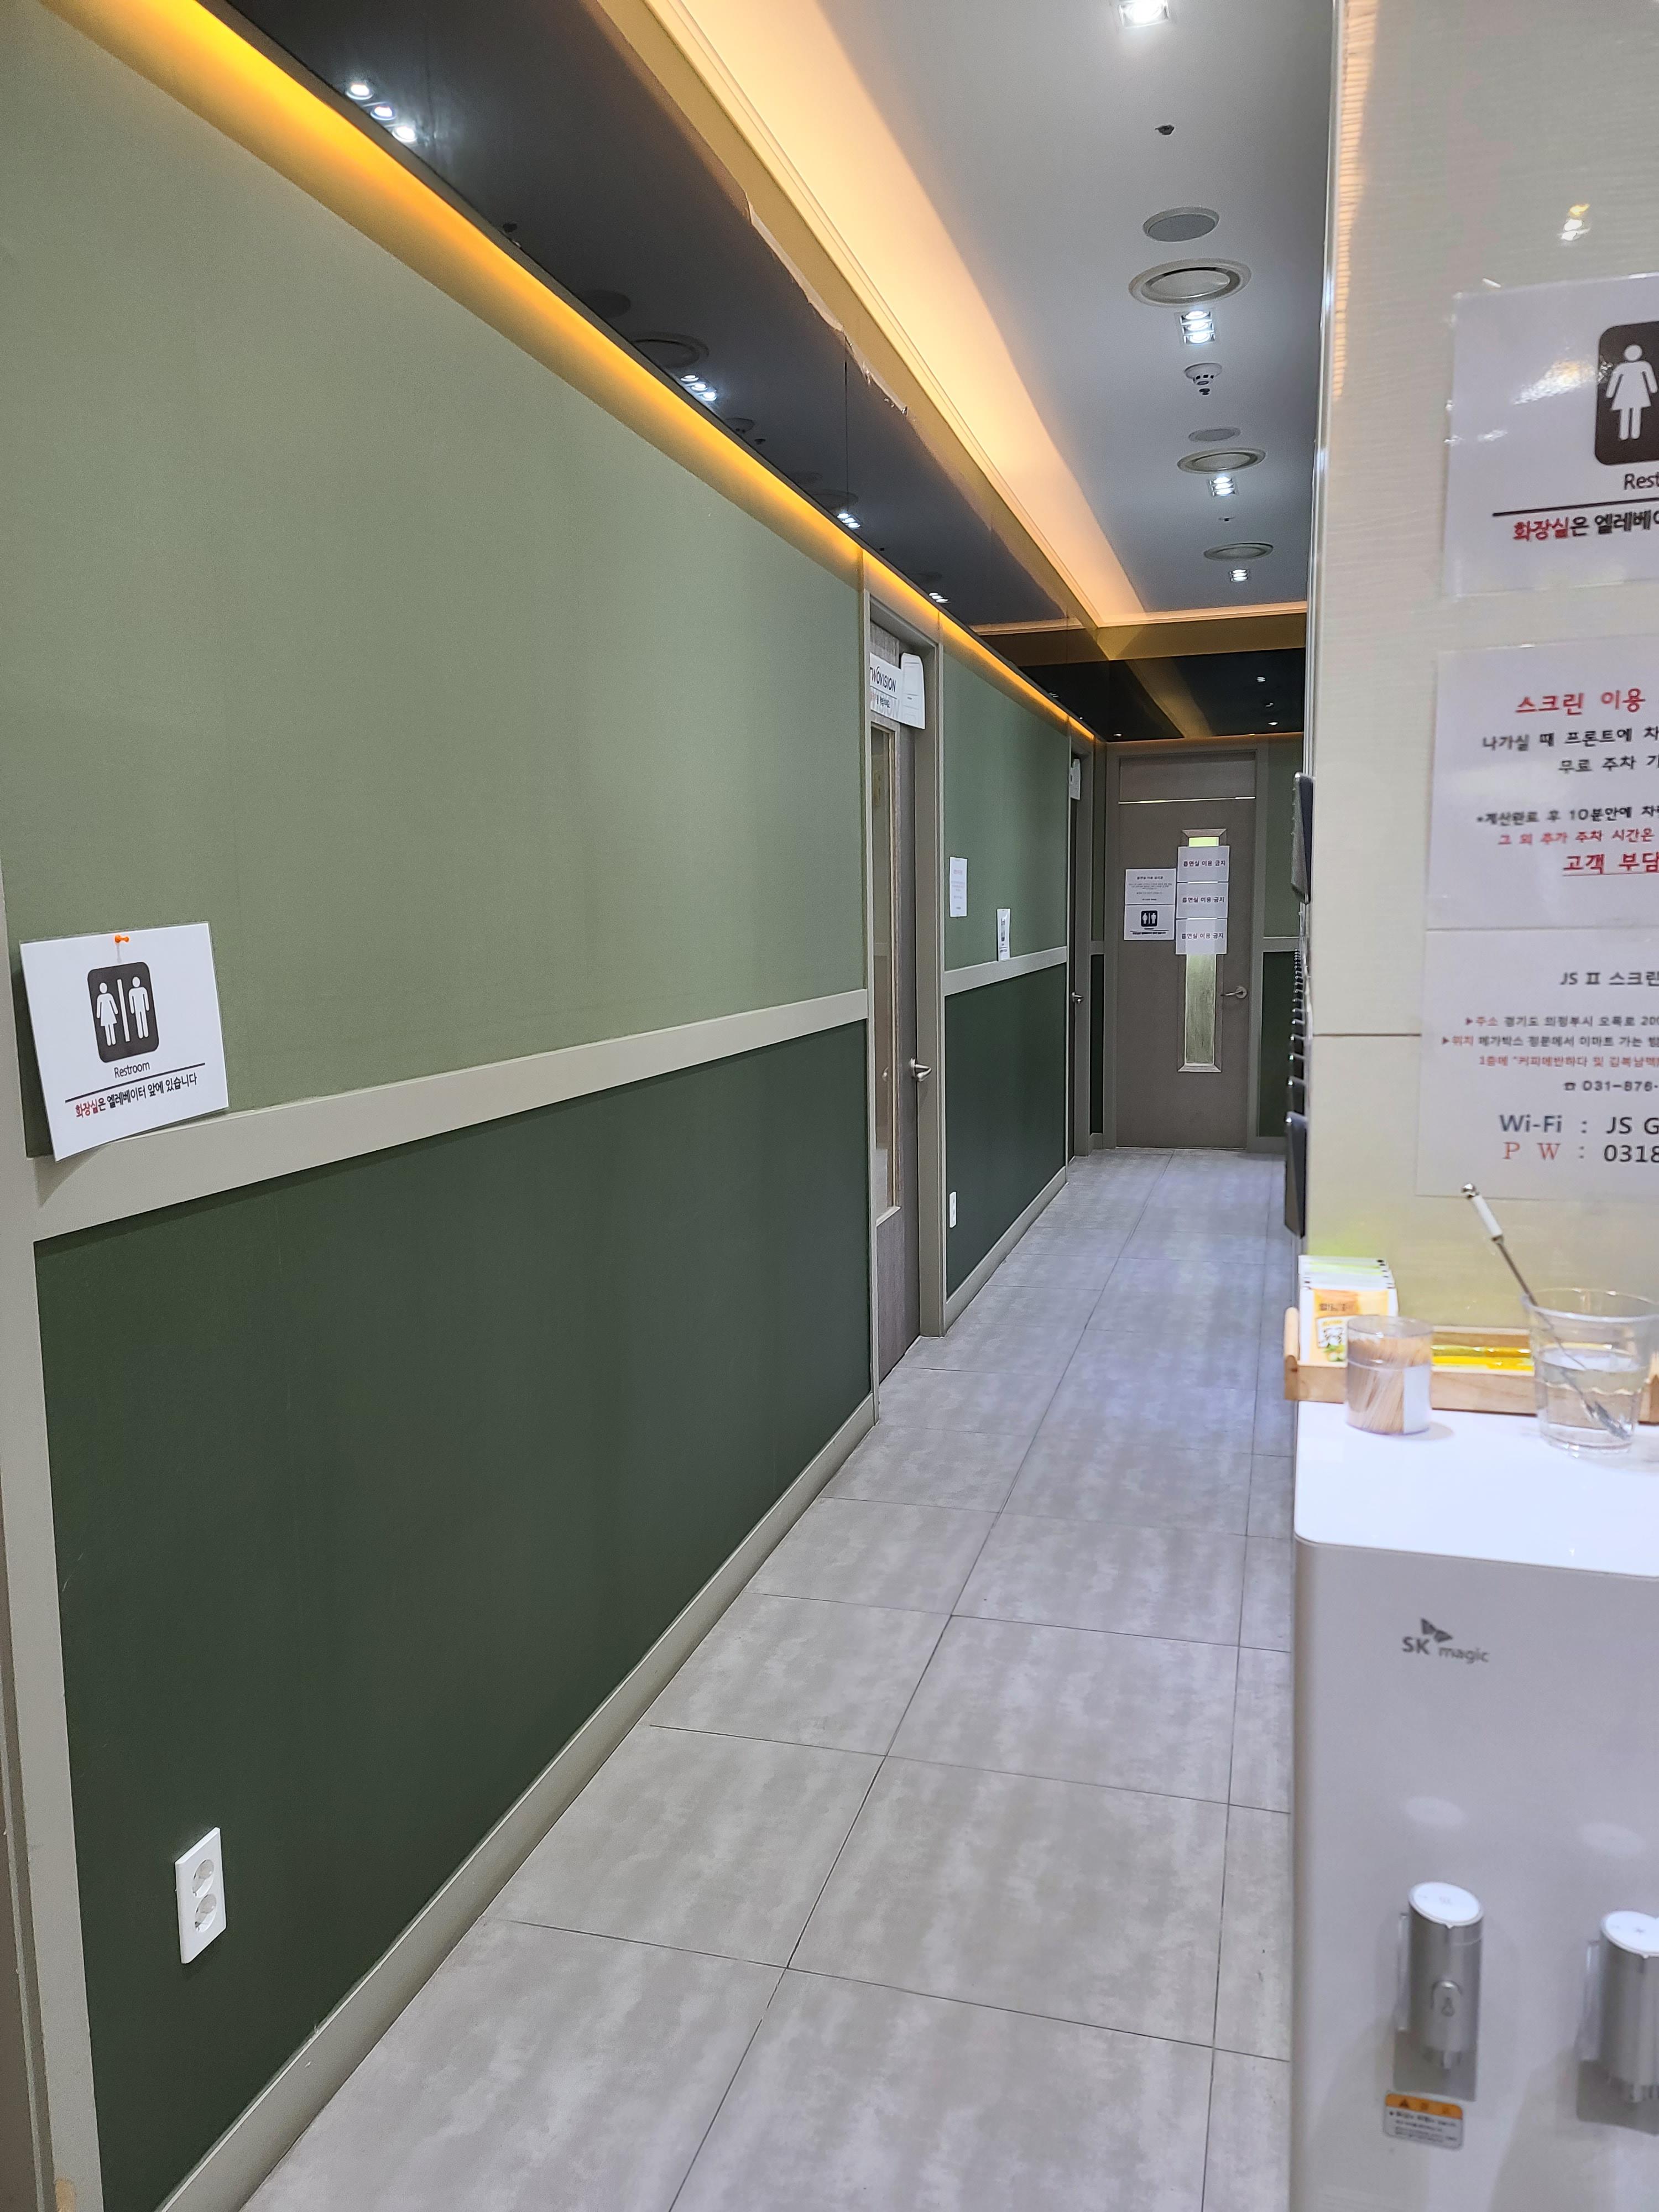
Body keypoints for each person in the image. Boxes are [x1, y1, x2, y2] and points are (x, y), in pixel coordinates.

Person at [1608, 343, 1657, 442]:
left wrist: (1653, 389)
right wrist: (1610, 393)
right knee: (1627, 412)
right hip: (1626, 392)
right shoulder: (1622, 367)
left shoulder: (1643, 365)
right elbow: (1614, 380)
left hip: (1636, 391)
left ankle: (1634, 434)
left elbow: (1650, 378)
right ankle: (1625, 434)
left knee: (1635, 412)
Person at [94, 978, 119, 1049]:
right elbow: (99, 1007)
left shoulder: (109, 996)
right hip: (104, 1015)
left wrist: (116, 1011)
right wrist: (98, 1015)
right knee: (107, 1029)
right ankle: (109, 1042)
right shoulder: (100, 998)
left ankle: (113, 1041)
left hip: (110, 1014)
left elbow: (113, 1004)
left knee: (111, 1027)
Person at [126, 971, 151, 1041]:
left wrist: (147, 1007)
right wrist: (132, 1010)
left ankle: (146, 1033)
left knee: (144, 1019)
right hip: (137, 1009)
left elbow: (145, 999)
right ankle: (140, 1034)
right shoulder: (132, 992)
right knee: (138, 1021)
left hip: (142, 1008)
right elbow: (131, 1001)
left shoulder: (143, 990)